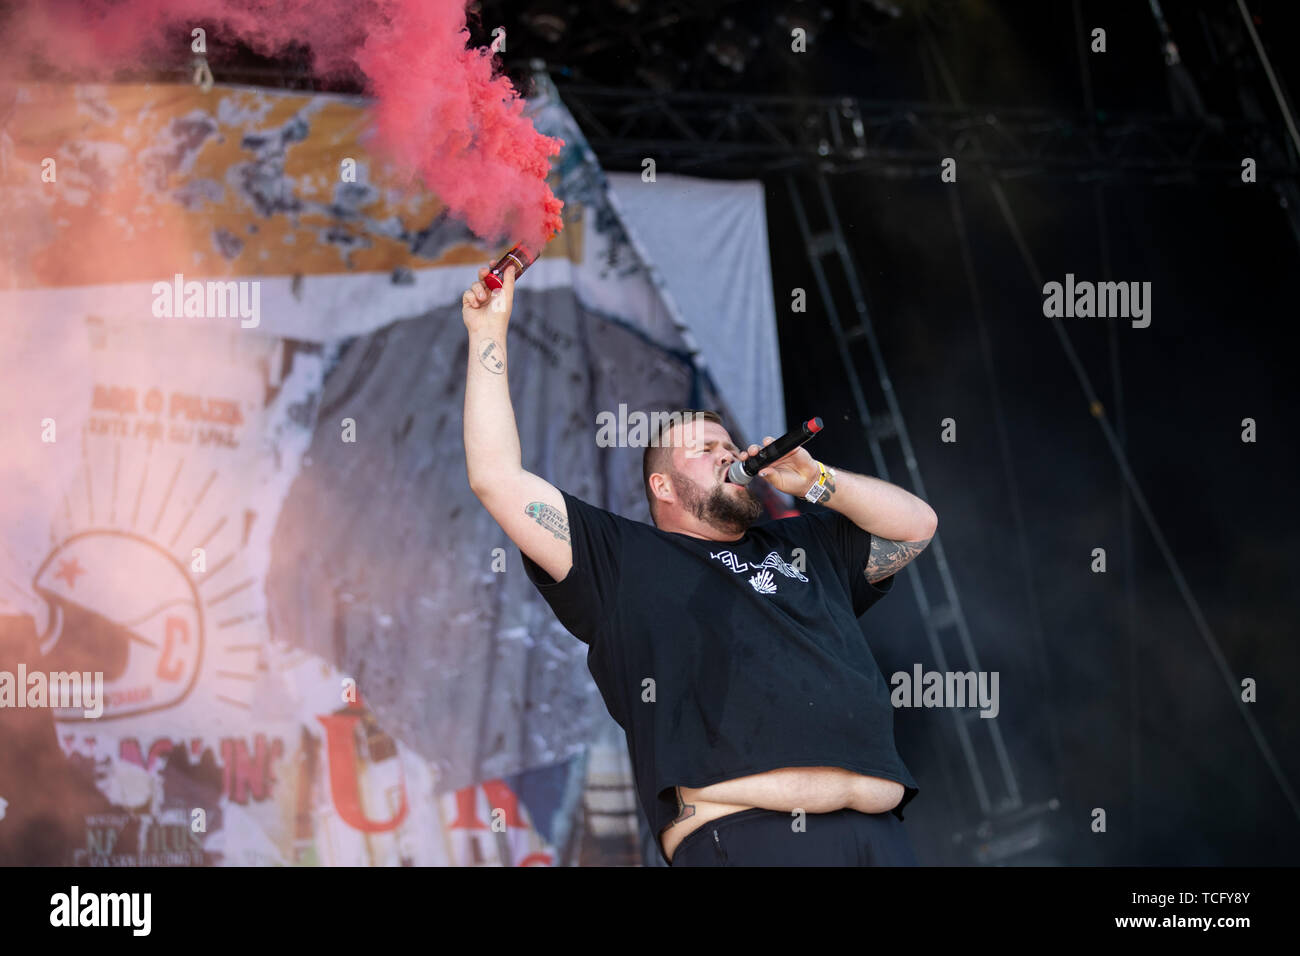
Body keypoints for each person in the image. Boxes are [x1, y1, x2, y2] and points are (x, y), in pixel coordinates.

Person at [461, 262, 937, 866]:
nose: (728, 454)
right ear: (661, 484)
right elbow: (497, 478)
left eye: (729, 445)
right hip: (744, 839)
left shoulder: (805, 544)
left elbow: (917, 525)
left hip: (877, 835)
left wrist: (816, 478)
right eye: (704, 449)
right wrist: (487, 333)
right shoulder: (624, 559)